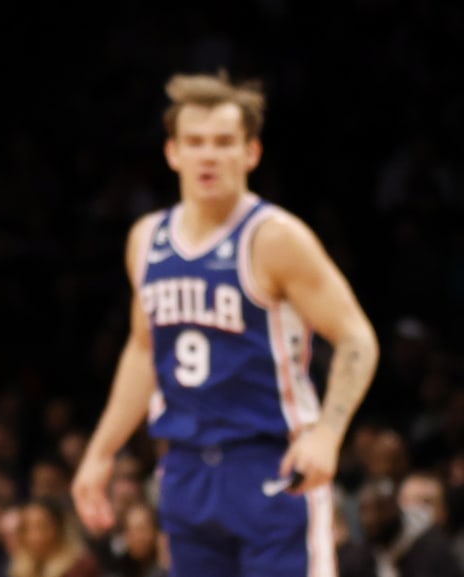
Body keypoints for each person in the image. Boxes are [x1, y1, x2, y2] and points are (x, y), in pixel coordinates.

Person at [72, 71, 381, 577]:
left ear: (251, 153)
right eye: (195, 143)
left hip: (270, 462)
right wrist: (100, 452)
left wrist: (328, 433)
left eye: (223, 142)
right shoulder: (146, 239)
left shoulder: (275, 238)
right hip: (185, 468)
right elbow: (144, 349)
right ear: (173, 153)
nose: (208, 156)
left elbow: (357, 338)